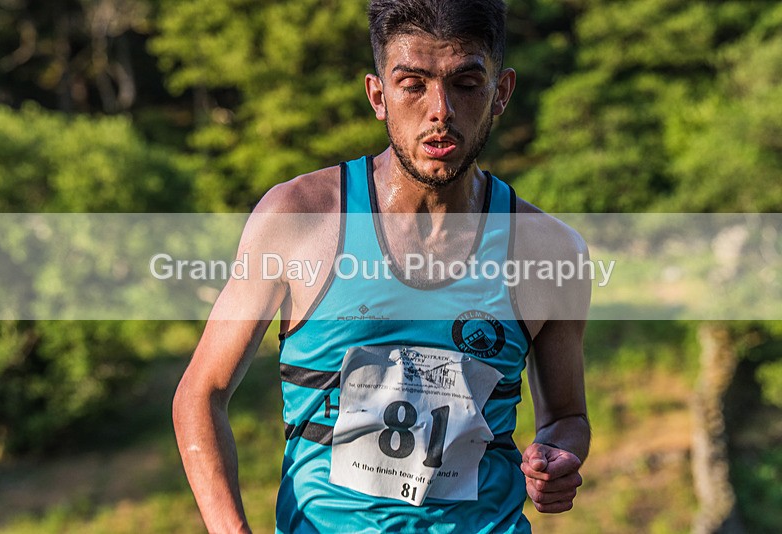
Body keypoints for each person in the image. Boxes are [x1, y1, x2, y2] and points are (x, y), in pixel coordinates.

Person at [173, 0, 590, 532]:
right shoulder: (300, 218)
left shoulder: (550, 251)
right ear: (378, 96)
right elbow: (199, 395)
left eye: (466, 83)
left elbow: (567, 418)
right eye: (413, 84)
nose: (440, 110)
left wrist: (556, 458)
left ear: (501, 93)